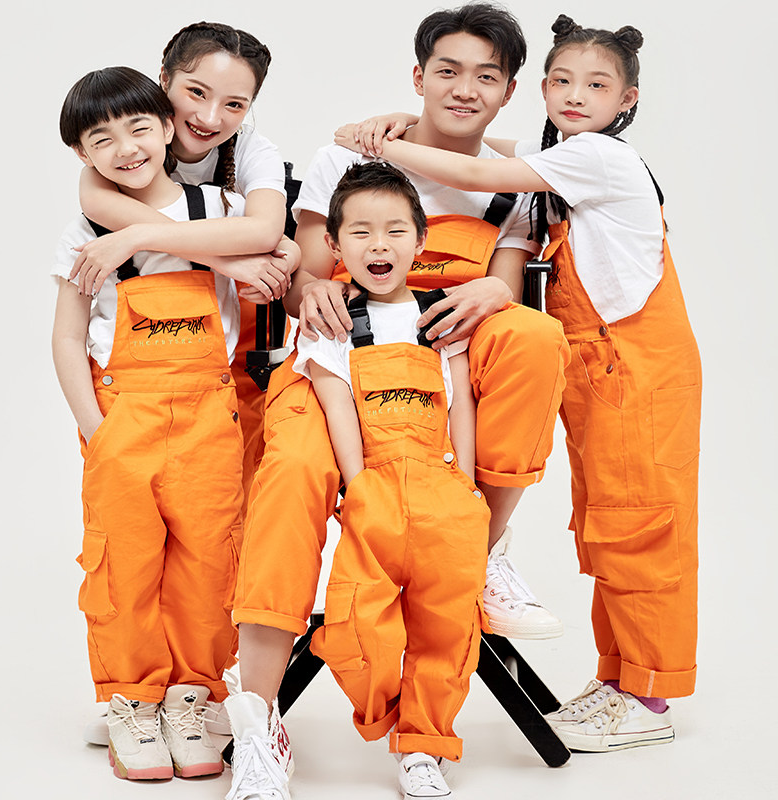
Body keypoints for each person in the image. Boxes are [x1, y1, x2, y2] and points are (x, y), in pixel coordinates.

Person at [223, 5, 569, 798]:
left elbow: (507, 291)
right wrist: (312, 290)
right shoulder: (347, 155)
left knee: (534, 335)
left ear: (509, 91)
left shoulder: (515, 184)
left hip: (440, 372)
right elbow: (306, 271)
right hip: (335, 363)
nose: (463, 89)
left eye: (485, 76)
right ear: (418, 76)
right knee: (290, 477)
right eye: (447, 70)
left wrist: (493, 288)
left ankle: (480, 549)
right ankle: (260, 720)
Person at [337, 13, 702, 753]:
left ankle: (649, 697)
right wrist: (408, 120)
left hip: (638, 366)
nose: (575, 96)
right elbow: (493, 150)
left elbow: (474, 171)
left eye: (596, 85)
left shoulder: (600, 157)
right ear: (541, 88)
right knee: (605, 526)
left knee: (642, 526)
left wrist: (373, 142)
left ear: (627, 100)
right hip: (598, 366)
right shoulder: (563, 157)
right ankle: (620, 681)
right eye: (562, 81)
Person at [53, 66, 251, 780]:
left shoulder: (221, 207)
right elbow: (66, 336)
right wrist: (96, 430)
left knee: (209, 561)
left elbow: (271, 255)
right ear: (83, 155)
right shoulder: (84, 229)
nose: (126, 148)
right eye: (101, 139)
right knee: (123, 564)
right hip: (123, 416)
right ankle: (131, 702)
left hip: (209, 415)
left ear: (168, 126)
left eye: (139, 127)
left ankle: (192, 697)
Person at [305, 161, 490, 799]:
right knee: (357, 624)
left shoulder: (441, 317)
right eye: (359, 232)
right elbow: (336, 406)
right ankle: (387, 712)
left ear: (420, 239)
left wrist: (468, 486)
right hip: (375, 488)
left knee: (447, 626)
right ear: (334, 244)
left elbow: (461, 403)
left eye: (394, 231)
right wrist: (358, 487)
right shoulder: (332, 323)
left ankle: (424, 746)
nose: (378, 245)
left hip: (444, 489)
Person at [72, 21, 300, 513]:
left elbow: (267, 233)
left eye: (235, 104)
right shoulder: (127, 148)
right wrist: (229, 261)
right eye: (196, 92)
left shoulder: (253, 152)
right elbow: (94, 202)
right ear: (163, 79)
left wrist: (138, 235)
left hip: (240, 350)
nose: (210, 117)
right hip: (142, 376)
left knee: (230, 511)